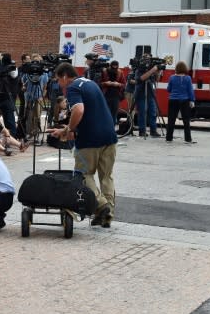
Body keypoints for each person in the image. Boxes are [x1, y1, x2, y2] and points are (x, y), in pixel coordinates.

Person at [50, 62, 118, 228]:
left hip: (89, 139)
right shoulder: (90, 83)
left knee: (83, 174)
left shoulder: (73, 88)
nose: (59, 84)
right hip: (109, 135)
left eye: (59, 80)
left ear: (65, 76)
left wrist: (68, 130)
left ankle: (102, 207)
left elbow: (78, 110)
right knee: (106, 176)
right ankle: (107, 215)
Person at [165, 61, 196, 144]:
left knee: (171, 119)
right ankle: (188, 139)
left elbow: (168, 89)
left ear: (177, 69)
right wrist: (192, 100)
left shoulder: (172, 77)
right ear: (185, 69)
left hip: (173, 100)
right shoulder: (188, 78)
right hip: (184, 100)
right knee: (186, 120)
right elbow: (190, 91)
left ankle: (169, 138)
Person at [20, 54, 48, 141]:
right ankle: (27, 132)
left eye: (38, 62)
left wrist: (41, 96)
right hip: (29, 97)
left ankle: (35, 133)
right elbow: (23, 82)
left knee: (37, 116)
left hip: (38, 97)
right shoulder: (28, 73)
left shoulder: (43, 74)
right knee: (28, 115)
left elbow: (45, 87)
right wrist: (23, 87)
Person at [133, 53, 161, 138]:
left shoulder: (151, 68)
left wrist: (158, 72)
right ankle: (142, 131)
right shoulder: (139, 69)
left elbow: (157, 79)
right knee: (142, 112)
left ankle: (153, 130)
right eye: (147, 59)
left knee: (153, 112)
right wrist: (152, 70)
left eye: (149, 58)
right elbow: (141, 78)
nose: (148, 60)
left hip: (151, 93)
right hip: (141, 93)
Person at [0, 53, 20, 138]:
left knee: (9, 119)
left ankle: (12, 137)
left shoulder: (12, 69)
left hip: (8, 96)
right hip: (2, 95)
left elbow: (13, 75)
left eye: (1, 57)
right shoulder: (5, 69)